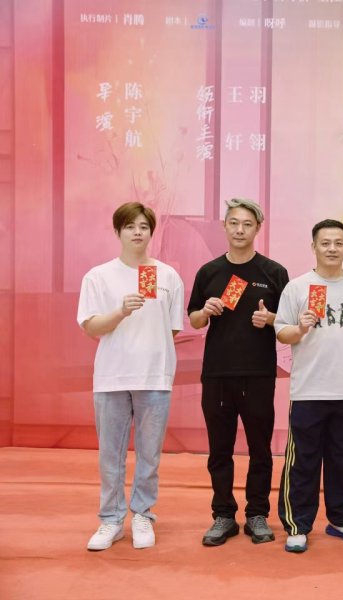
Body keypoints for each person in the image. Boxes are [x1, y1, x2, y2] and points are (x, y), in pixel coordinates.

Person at [77, 202, 184, 551]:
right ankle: (111, 519)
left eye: (143, 226)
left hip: (155, 377)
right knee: (111, 455)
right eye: (130, 226)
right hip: (112, 376)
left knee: (149, 454)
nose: (137, 232)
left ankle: (142, 515)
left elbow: (172, 328)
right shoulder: (98, 276)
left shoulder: (168, 276)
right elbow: (91, 327)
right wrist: (121, 312)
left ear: (151, 232)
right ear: (118, 232)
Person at [187, 198, 289, 546]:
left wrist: (270, 319)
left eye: (247, 224)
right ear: (225, 226)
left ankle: (257, 514)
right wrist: (205, 310)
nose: (240, 230)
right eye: (234, 223)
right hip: (217, 373)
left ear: (258, 228)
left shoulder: (273, 272)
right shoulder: (209, 272)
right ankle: (223, 516)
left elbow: (289, 324)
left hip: (258, 373)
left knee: (260, 448)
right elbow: (194, 319)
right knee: (220, 449)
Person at [274, 219, 343, 553]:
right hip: (309, 390)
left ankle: (342, 518)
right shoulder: (298, 287)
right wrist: (300, 328)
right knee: (303, 462)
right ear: (313, 246)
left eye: (338, 243)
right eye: (325, 243)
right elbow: (281, 332)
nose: (332, 248)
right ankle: (297, 525)